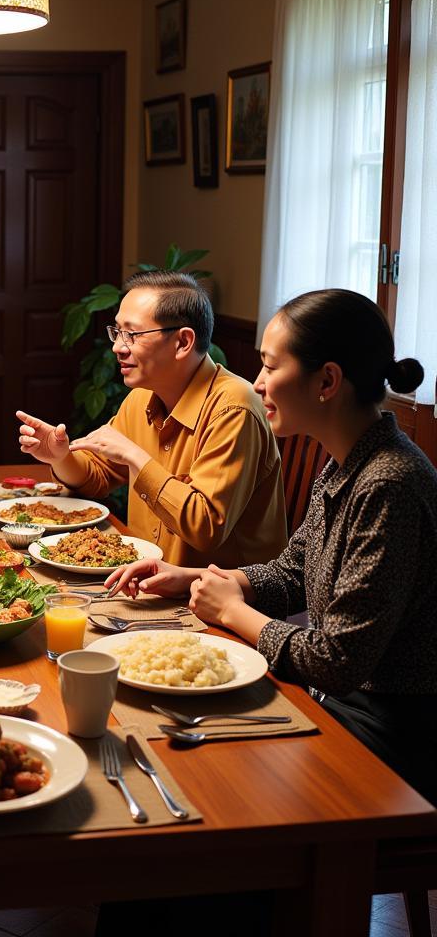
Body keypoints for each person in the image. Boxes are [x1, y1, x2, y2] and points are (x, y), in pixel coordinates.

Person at [106, 288, 436, 804]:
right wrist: (199, 579)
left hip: (390, 729)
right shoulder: (348, 461)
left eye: (269, 366)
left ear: (326, 381)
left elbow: (336, 661)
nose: (256, 383)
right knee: (164, 740)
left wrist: (235, 613)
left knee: (206, 779)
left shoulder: (390, 483)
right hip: (337, 698)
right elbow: (295, 570)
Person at [17, 270, 287, 568]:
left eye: (132, 334)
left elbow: (206, 528)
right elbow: (98, 478)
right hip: (146, 580)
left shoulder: (234, 407)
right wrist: (60, 457)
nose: (118, 346)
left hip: (219, 600)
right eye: (117, 331)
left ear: (183, 342)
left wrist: (135, 456)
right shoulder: (143, 397)